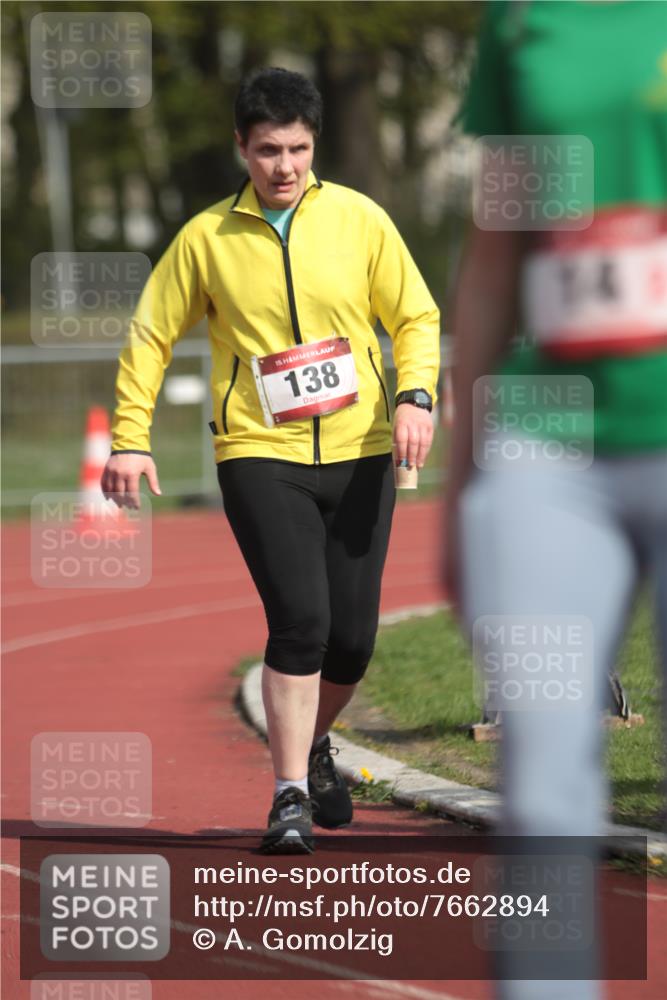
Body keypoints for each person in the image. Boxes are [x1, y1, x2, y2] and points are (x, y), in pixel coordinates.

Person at [102, 67, 440, 854]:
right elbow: (150, 337)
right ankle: (288, 795)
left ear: (313, 144)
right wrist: (129, 437)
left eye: (296, 148)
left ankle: (310, 743)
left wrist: (414, 396)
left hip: (360, 451)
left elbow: (415, 317)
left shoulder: (359, 220)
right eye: (266, 151)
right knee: (301, 623)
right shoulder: (206, 238)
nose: (283, 166)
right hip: (259, 452)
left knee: (353, 639)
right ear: (240, 149)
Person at [447, 2, 667, 997]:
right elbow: (497, 255)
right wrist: (462, 482)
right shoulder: (522, 22)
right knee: (539, 786)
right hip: (546, 446)